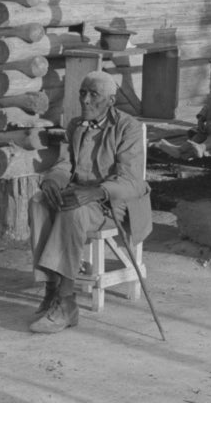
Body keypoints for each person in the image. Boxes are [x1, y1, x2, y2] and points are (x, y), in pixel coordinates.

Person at [27, 70, 152, 334]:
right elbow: (65, 164)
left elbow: (132, 182)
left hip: (112, 203)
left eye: (93, 94)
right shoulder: (75, 125)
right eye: (82, 93)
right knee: (39, 203)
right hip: (79, 193)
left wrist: (96, 193)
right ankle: (51, 288)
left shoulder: (127, 127)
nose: (85, 100)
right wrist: (52, 180)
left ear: (110, 100)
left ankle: (66, 302)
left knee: (73, 213)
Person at [153, 56, 211, 160]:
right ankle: (181, 150)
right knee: (199, 134)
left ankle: (202, 147)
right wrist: (202, 118)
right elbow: (207, 107)